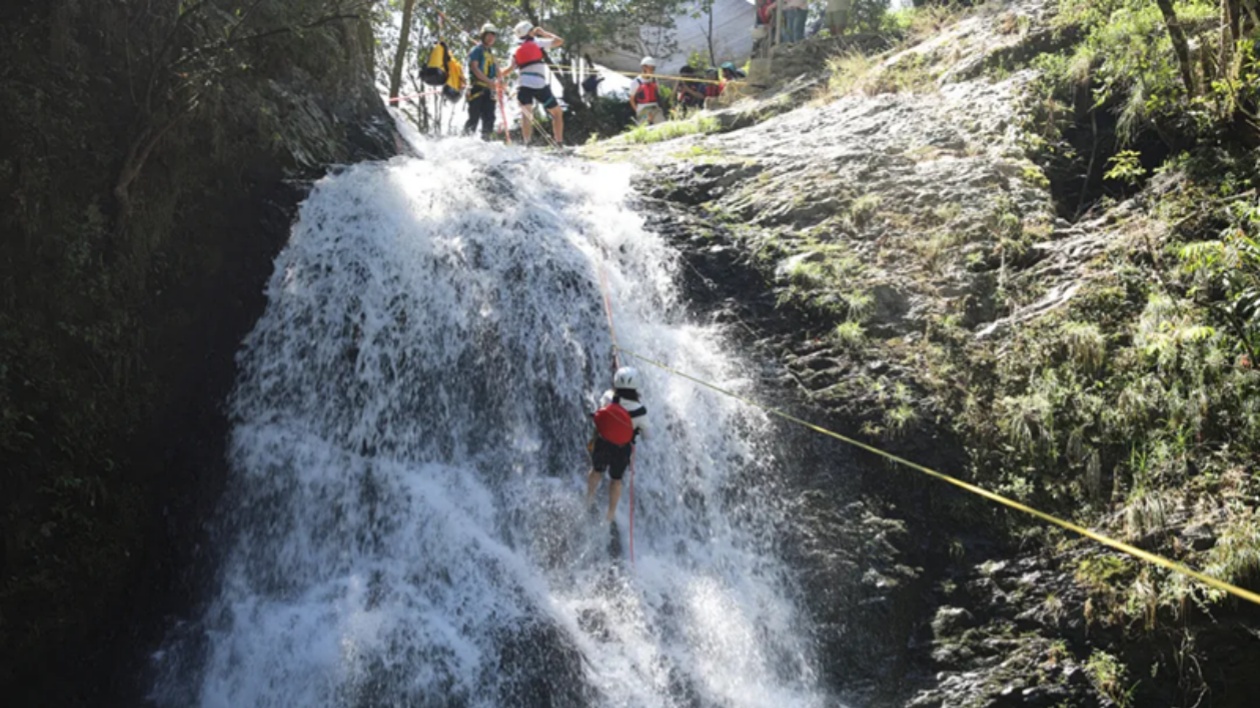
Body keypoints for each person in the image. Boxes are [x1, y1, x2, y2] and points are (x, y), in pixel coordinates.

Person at [586, 366, 649, 522]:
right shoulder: (640, 411)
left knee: (596, 470)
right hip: (622, 447)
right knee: (616, 479)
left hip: (603, 442)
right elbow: (648, 436)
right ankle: (610, 514)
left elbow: (602, 409)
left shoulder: (608, 396)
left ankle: (588, 498)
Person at [507, 20, 565, 145]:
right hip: (540, 85)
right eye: (532, 30)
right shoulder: (538, 42)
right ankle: (559, 143)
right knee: (557, 113)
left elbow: (510, 68)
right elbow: (559, 41)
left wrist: (497, 76)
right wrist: (543, 33)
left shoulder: (516, 49)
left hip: (524, 85)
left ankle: (527, 144)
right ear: (529, 32)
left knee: (527, 115)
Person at [464, 24, 500, 139]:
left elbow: (497, 70)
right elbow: (474, 68)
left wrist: (500, 81)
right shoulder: (477, 50)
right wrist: (488, 81)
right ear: (483, 35)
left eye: (493, 36)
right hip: (477, 88)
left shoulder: (491, 54)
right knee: (474, 118)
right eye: (488, 35)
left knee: (490, 118)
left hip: (490, 91)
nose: (491, 38)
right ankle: (466, 141)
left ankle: (486, 140)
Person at [629, 57, 666, 126]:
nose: (652, 71)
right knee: (644, 126)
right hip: (643, 110)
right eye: (651, 68)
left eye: (653, 69)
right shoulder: (635, 82)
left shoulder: (655, 80)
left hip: (655, 108)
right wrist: (638, 111)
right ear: (644, 67)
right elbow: (631, 99)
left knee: (663, 124)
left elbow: (658, 95)